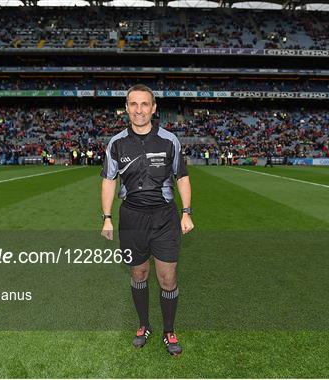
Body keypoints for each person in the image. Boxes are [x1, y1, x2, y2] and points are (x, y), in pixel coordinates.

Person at [100, 84, 194, 356]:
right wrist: (106, 217)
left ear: (154, 108)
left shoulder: (169, 140)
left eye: (144, 104)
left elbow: (182, 177)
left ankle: (168, 330)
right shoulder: (116, 143)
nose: (138, 110)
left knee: (168, 278)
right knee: (138, 273)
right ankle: (143, 325)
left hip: (164, 217)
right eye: (133, 104)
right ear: (126, 108)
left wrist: (186, 212)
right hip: (131, 217)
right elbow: (108, 180)